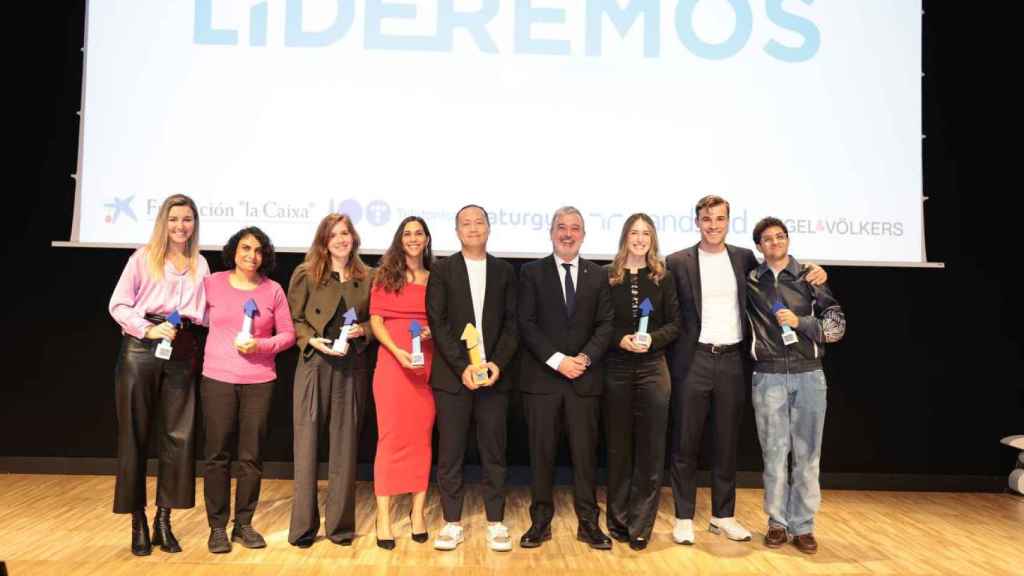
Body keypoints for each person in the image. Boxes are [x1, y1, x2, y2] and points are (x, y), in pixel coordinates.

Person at [665, 195, 826, 545]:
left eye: (720, 219)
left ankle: (723, 516)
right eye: (706, 219)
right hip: (693, 360)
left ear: (728, 222)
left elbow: (779, 273)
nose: (713, 225)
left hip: (733, 362)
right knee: (685, 443)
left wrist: (814, 270)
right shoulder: (677, 262)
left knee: (726, 443)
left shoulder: (743, 259)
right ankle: (683, 517)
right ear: (697, 222)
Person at [109, 194, 209, 556]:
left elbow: (205, 313)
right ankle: (137, 521)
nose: (181, 226)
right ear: (163, 222)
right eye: (174, 219)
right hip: (141, 350)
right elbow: (117, 304)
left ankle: (163, 522)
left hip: (181, 352)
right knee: (134, 436)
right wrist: (147, 330)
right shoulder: (142, 258)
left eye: (187, 219)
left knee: (178, 438)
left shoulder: (201, 264)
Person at [746, 217, 845, 554]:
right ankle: (776, 523)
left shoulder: (810, 277)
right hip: (768, 376)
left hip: (809, 376)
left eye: (781, 237)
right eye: (768, 239)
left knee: (807, 455)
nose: (775, 243)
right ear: (759, 247)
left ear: (788, 240)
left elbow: (835, 328)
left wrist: (799, 322)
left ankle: (803, 526)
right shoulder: (750, 280)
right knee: (774, 454)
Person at [517, 206, 614, 550]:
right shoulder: (531, 272)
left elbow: (606, 324)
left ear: (584, 235)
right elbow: (526, 323)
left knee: (585, 456)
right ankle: (540, 520)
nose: (568, 233)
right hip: (542, 381)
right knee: (541, 454)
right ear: (551, 232)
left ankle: (588, 522)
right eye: (561, 227)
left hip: (584, 381)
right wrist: (559, 361)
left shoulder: (599, 275)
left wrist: (584, 359)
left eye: (575, 228)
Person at [426, 205, 519, 552]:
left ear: (489, 228)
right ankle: (452, 523)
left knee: (494, 452)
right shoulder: (442, 270)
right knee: (450, 453)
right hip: (454, 379)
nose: (473, 228)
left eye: (479, 222)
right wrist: (461, 366)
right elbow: (438, 322)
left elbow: (513, 324)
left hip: (495, 377)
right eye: (466, 223)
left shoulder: (504, 271)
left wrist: (497, 364)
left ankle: (495, 521)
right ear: (457, 230)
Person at [201, 226, 295, 553]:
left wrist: (260, 345)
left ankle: (243, 524)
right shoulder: (211, 283)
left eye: (258, 250)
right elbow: (192, 316)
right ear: (234, 251)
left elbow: (288, 336)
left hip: (259, 380)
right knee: (216, 456)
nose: (251, 256)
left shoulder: (273, 291)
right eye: (245, 248)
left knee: (251, 457)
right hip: (217, 378)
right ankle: (216, 527)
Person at [287, 213, 375, 548]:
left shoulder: (369, 276)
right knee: (306, 447)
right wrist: (310, 339)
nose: (341, 239)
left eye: (346, 233)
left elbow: (374, 321)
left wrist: (362, 330)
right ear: (324, 240)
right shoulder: (306, 274)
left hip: (351, 367)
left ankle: (339, 528)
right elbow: (294, 319)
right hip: (314, 365)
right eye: (334, 234)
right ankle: (304, 529)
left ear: (354, 238)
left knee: (345, 447)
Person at [603, 213, 680, 550]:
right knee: (619, 448)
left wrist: (655, 339)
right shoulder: (608, 276)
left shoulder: (663, 276)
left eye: (645, 233)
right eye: (634, 233)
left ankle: (641, 525)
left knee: (651, 450)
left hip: (653, 368)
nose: (639, 239)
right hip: (617, 368)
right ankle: (618, 520)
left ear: (652, 239)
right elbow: (601, 323)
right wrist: (620, 339)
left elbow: (676, 323)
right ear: (625, 237)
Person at [369, 216, 435, 550]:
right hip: (393, 368)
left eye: (418, 233)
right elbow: (376, 320)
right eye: (407, 233)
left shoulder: (436, 279)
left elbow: (444, 322)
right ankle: (384, 516)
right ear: (400, 239)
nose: (413, 238)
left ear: (426, 239)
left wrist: (430, 332)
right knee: (391, 439)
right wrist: (396, 350)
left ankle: (418, 513)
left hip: (425, 371)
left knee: (421, 440)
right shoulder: (385, 277)